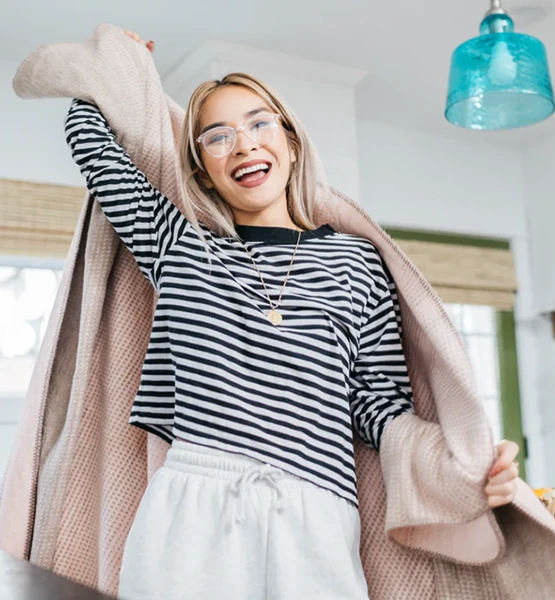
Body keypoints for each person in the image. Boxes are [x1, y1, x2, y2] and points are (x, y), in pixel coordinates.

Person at [62, 28, 520, 600]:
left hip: (317, 511)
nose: (244, 145)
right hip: (192, 507)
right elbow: (88, 139)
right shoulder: (178, 244)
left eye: (259, 124)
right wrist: (121, 66)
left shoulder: (356, 260)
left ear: (291, 141)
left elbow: (377, 406)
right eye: (217, 136)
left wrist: (464, 465)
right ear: (202, 168)